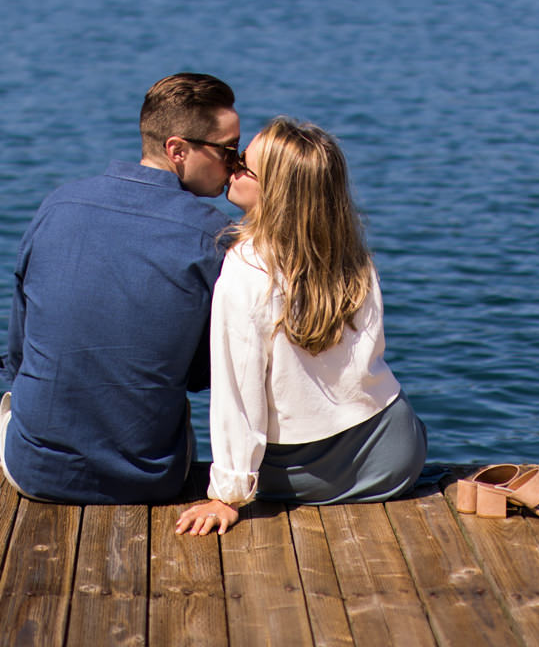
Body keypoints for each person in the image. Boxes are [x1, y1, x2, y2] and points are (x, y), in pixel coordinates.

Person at [0, 73, 242, 504]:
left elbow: (20, 347)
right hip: (147, 479)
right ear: (177, 150)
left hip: (33, 471)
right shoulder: (214, 236)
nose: (236, 164)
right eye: (227, 150)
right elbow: (207, 373)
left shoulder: (58, 205)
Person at [176, 117, 428, 536]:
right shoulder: (353, 256)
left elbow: (239, 393)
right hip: (395, 454)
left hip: (300, 473)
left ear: (276, 191)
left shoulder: (245, 268)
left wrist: (227, 493)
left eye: (243, 165)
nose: (231, 168)